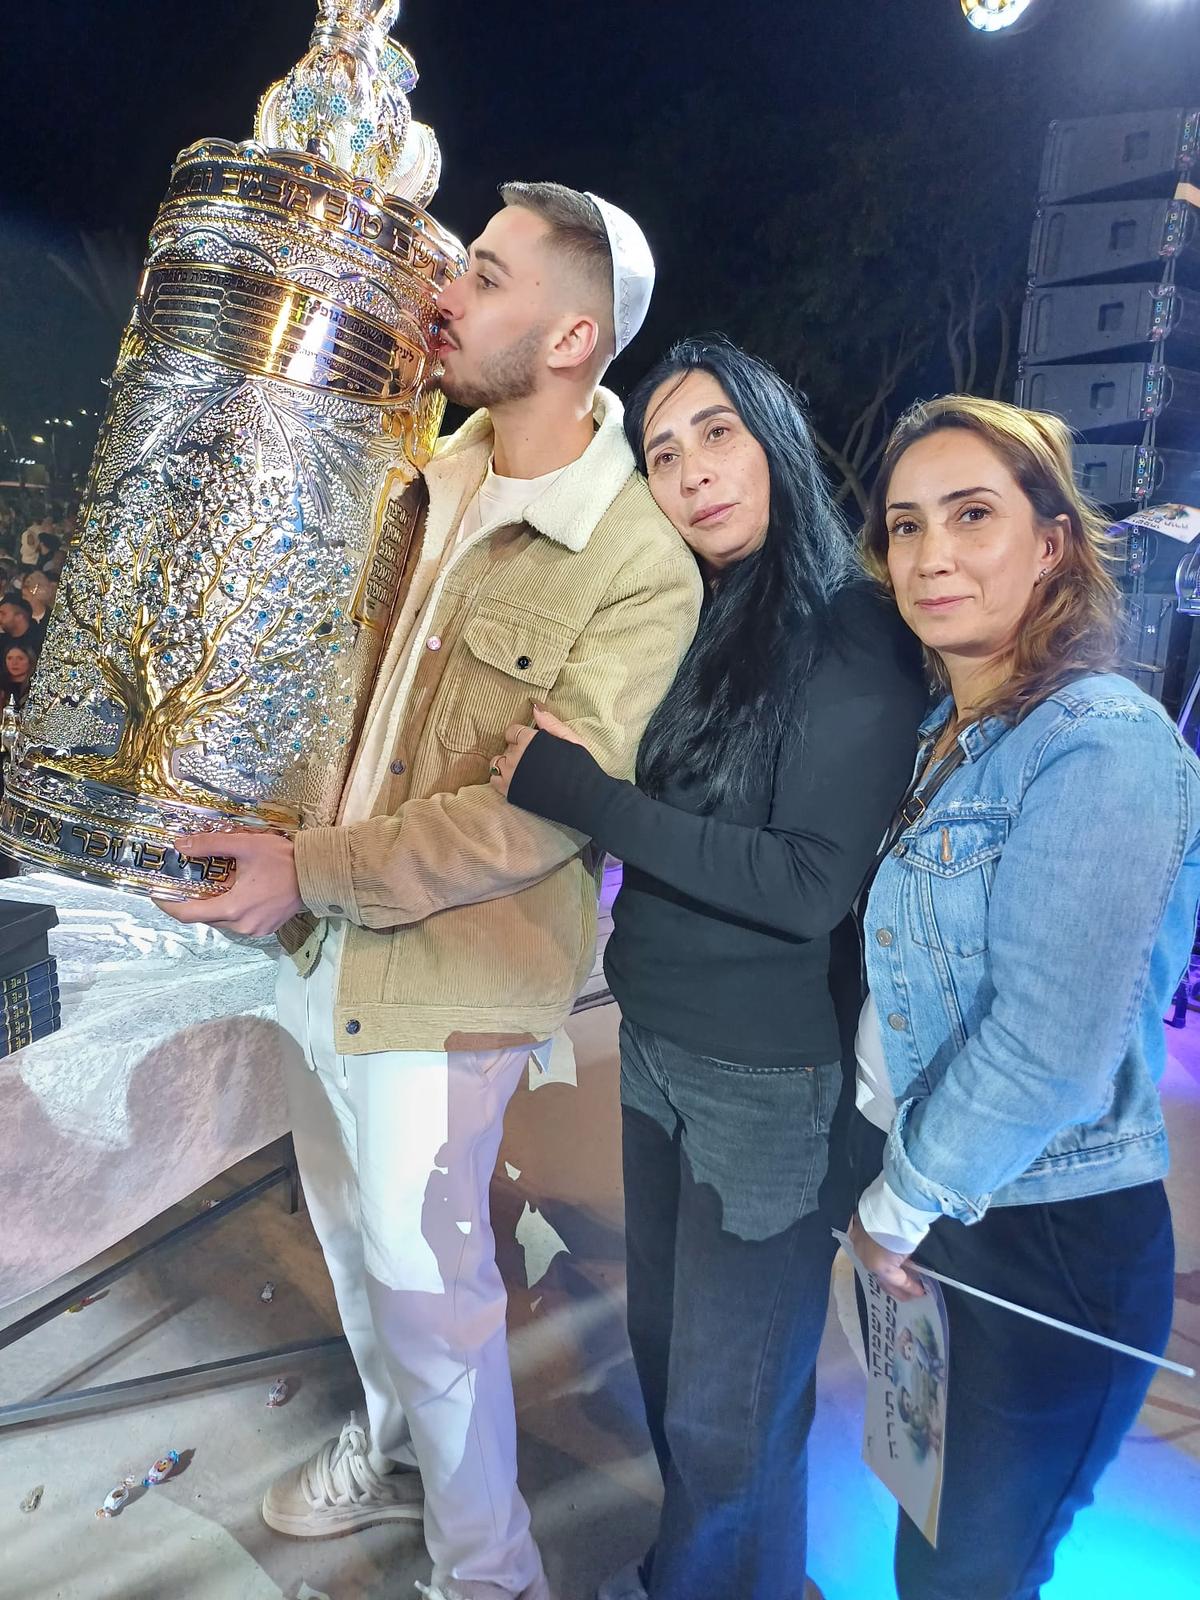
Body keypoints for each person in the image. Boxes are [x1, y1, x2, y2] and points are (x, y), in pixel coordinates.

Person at [159, 182, 702, 1600]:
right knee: (352, 1250)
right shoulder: (423, 470)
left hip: (450, 974)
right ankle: (395, 1446)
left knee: (430, 1291)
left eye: (489, 276)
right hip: (316, 945)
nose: (445, 292)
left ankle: (489, 1574)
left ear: (573, 336)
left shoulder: (636, 558)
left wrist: (309, 869)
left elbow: (532, 819)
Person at [490, 337, 928, 1600]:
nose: (692, 473)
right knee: (672, 1357)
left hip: (765, 1083)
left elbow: (805, 882)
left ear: (775, 437)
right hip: (660, 1049)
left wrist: (583, 792)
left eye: (718, 433)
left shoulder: (850, 627)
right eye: (664, 452)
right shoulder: (700, 617)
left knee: (725, 1410)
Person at [845, 394, 1198, 1600]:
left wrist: (897, 1205)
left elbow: (1049, 1048)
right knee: (934, 1542)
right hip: (952, 1197)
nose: (930, 554)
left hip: (1044, 1231)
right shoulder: (950, 733)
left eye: (971, 515)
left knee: (972, 1572)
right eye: (905, 524)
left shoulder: (1101, 740)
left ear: (1051, 543)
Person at [1, 640, 37, 710]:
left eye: (20, 658)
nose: (14, 663)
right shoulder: (2, 685)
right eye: (9, 658)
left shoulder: (35, 686)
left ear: (30, 660)